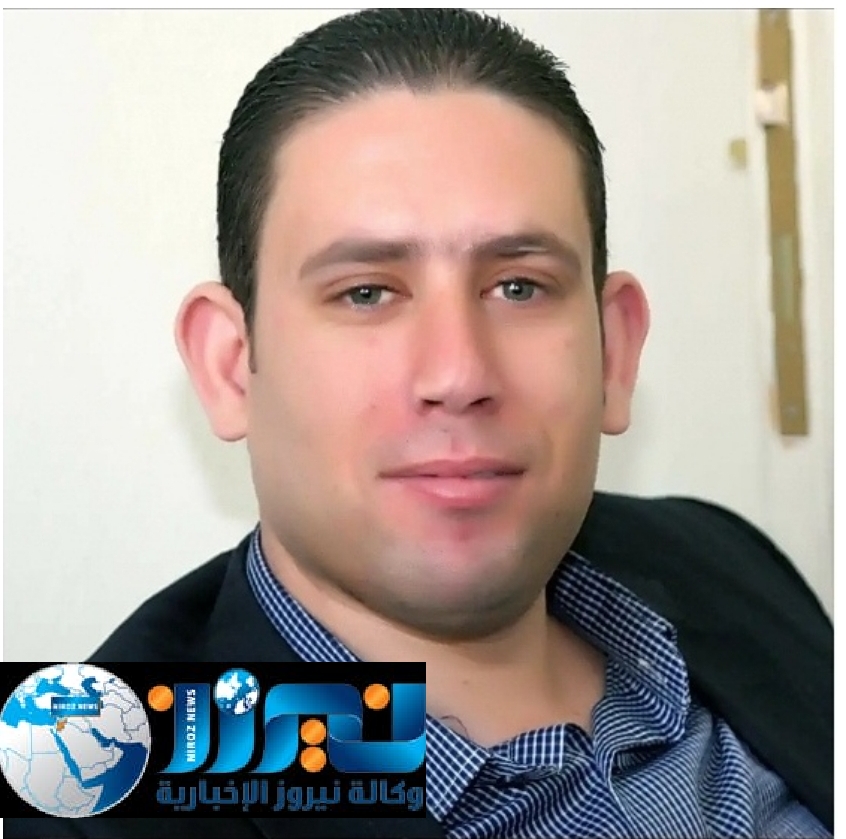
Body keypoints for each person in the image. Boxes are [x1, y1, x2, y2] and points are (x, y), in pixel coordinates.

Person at [7, 8, 832, 839]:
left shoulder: (725, 558)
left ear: (613, 350)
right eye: (366, 293)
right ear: (229, 366)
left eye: (519, 287)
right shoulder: (94, 790)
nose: (459, 374)